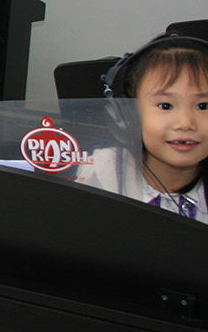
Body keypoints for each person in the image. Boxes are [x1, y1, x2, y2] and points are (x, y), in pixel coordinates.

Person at [75, 33, 208, 224]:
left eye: (203, 106)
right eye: (165, 106)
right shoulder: (106, 169)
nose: (186, 123)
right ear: (127, 115)